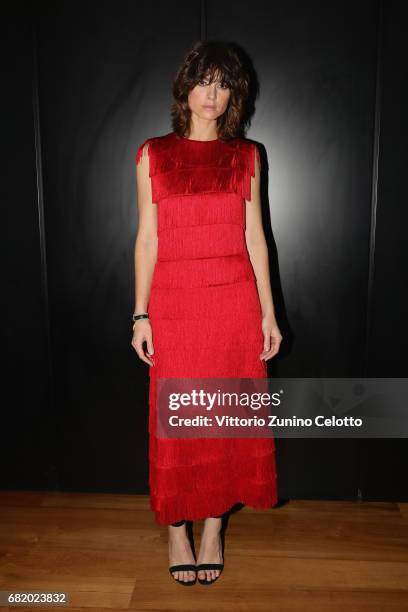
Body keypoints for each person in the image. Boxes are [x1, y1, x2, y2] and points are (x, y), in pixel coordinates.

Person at [132, 40, 282, 586]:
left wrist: (269, 313)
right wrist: (139, 314)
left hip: (232, 304)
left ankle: (215, 526)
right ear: (185, 88)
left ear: (233, 94)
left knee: (223, 421)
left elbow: (255, 237)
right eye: (203, 81)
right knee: (177, 423)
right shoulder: (153, 153)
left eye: (223, 84)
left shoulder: (247, 155)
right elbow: (146, 239)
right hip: (175, 304)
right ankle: (177, 527)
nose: (212, 94)